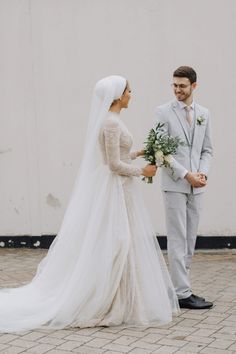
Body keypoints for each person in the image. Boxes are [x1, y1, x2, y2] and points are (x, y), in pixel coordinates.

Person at [0, 75, 179, 332]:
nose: (131, 94)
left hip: (119, 188)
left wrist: (140, 152)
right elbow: (113, 164)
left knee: (124, 242)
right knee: (120, 241)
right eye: (128, 90)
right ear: (118, 95)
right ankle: (109, 300)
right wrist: (143, 171)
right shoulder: (111, 123)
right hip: (114, 188)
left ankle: (125, 299)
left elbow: (117, 154)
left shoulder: (112, 121)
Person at [154, 66, 213, 309]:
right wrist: (186, 174)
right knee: (177, 238)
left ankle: (182, 287)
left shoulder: (204, 114)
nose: (177, 90)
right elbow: (160, 151)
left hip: (197, 186)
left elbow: (207, 150)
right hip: (175, 185)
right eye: (174, 85)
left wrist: (201, 174)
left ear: (194, 86)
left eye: (182, 86)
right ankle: (181, 293)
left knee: (189, 239)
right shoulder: (163, 112)